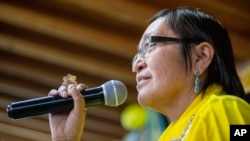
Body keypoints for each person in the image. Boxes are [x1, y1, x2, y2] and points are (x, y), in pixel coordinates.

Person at [48, 7, 250, 141]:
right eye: (137, 54)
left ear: (201, 56)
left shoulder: (224, 110)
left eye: (149, 45)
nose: (137, 64)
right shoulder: (167, 136)